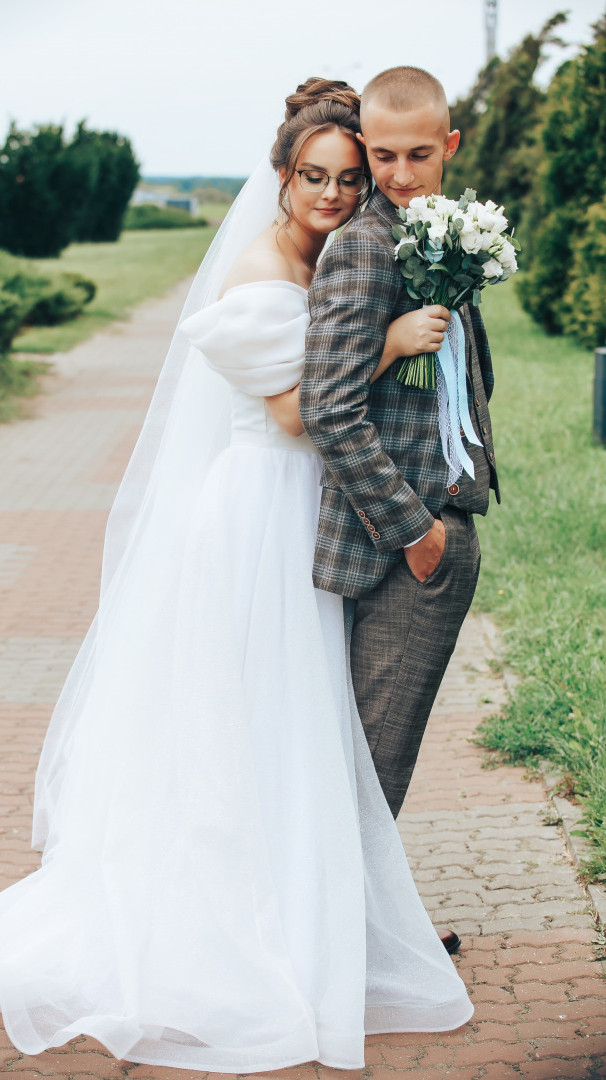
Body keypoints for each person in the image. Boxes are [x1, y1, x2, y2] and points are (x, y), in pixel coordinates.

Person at [0, 79, 473, 1072]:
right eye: (312, 177)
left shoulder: (328, 253)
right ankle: (239, 932)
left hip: (304, 514)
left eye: (344, 177)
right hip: (257, 516)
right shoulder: (255, 276)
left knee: (295, 730)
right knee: (245, 724)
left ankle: (316, 913)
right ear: (280, 177)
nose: (331, 195)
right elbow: (294, 416)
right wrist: (385, 345)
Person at [301, 69, 499, 834]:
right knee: (373, 762)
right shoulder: (361, 247)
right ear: (363, 146)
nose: (400, 175)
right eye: (382, 157)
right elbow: (328, 407)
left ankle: (372, 928)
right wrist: (418, 533)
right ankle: (354, 946)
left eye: (419, 154)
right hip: (399, 542)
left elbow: (468, 376)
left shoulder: (444, 235)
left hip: (444, 513)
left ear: (449, 145)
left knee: (385, 757)